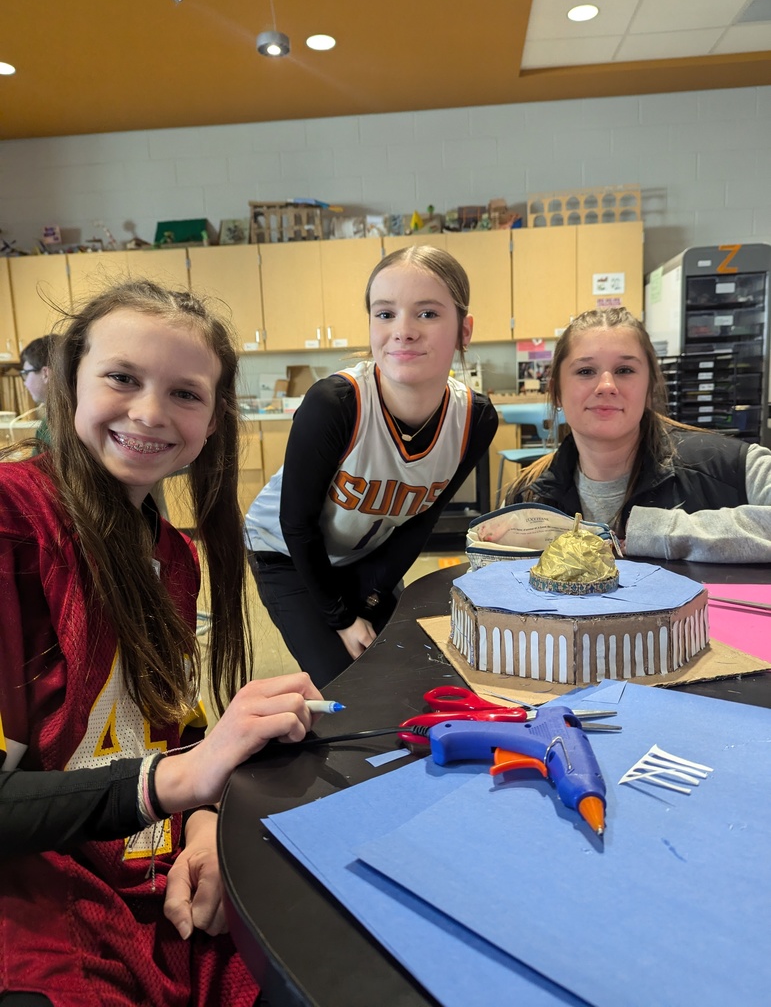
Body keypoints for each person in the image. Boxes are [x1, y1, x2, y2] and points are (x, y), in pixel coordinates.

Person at [0, 280, 324, 1007]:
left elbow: (170, 729)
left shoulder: (173, 556)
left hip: (152, 876)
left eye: (184, 393)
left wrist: (204, 822)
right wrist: (179, 782)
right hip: (38, 905)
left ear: (212, 420)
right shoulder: (13, 520)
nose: (150, 413)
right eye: (122, 378)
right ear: (69, 384)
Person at [246, 245, 499, 685]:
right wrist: (342, 618)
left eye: (427, 314)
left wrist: (372, 596)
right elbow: (297, 524)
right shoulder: (335, 405)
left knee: (405, 670)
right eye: (385, 314)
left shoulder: (475, 419)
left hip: (364, 555)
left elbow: (423, 519)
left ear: (464, 330)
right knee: (350, 684)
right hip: (286, 552)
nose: (403, 331)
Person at [503, 306, 771, 562]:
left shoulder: (734, 468)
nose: (606, 385)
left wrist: (662, 533)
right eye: (585, 371)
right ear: (557, 392)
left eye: (625, 370)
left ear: (649, 388)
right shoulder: (526, 499)